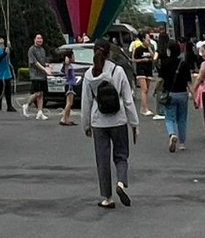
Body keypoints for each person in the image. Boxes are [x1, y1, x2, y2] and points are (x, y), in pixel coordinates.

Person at [80, 34, 138, 208]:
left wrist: (86, 125)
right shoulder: (118, 71)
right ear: (109, 52)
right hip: (119, 120)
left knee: (102, 159)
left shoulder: (89, 75)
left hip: (99, 122)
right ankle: (121, 182)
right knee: (121, 155)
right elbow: (128, 99)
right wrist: (134, 124)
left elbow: (86, 103)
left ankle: (106, 197)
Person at [157, 35, 194, 151]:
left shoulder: (165, 64)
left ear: (168, 51)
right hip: (183, 94)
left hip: (170, 94)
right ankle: (182, 143)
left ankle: (172, 134)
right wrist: (194, 95)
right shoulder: (184, 64)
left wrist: (156, 90)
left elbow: (161, 80)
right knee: (182, 119)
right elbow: (188, 82)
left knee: (169, 118)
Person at [25, 34, 50, 120]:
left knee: (41, 94)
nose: (39, 40)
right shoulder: (31, 50)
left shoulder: (42, 50)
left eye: (41, 38)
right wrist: (44, 69)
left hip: (42, 76)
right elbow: (35, 63)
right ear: (34, 40)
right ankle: (27, 104)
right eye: (38, 38)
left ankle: (40, 112)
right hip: (35, 75)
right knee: (37, 93)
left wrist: (48, 67)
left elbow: (44, 62)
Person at [131, 32, 155, 117]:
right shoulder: (138, 49)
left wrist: (149, 48)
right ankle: (145, 109)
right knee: (144, 89)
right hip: (141, 70)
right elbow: (133, 59)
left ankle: (143, 107)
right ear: (143, 39)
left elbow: (153, 57)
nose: (149, 40)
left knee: (147, 90)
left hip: (148, 70)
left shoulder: (150, 47)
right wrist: (142, 60)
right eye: (147, 38)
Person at [57, 48, 81, 126]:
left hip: (71, 84)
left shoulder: (69, 65)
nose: (74, 57)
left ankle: (67, 118)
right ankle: (63, 118)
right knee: (69, 103)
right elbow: (66, 73)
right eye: (73, 55)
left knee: (71, 103)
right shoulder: (67, 65)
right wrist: (66, 63)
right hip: (69, 85)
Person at [0, 37, 15, 111]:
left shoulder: (6, 49)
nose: (2, 44)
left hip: (7, 73)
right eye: (0, 42)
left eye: (2, 42)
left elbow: (12, 56)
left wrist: (10, 48)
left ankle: (9, 106)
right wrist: (4, 53)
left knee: (8, 91)